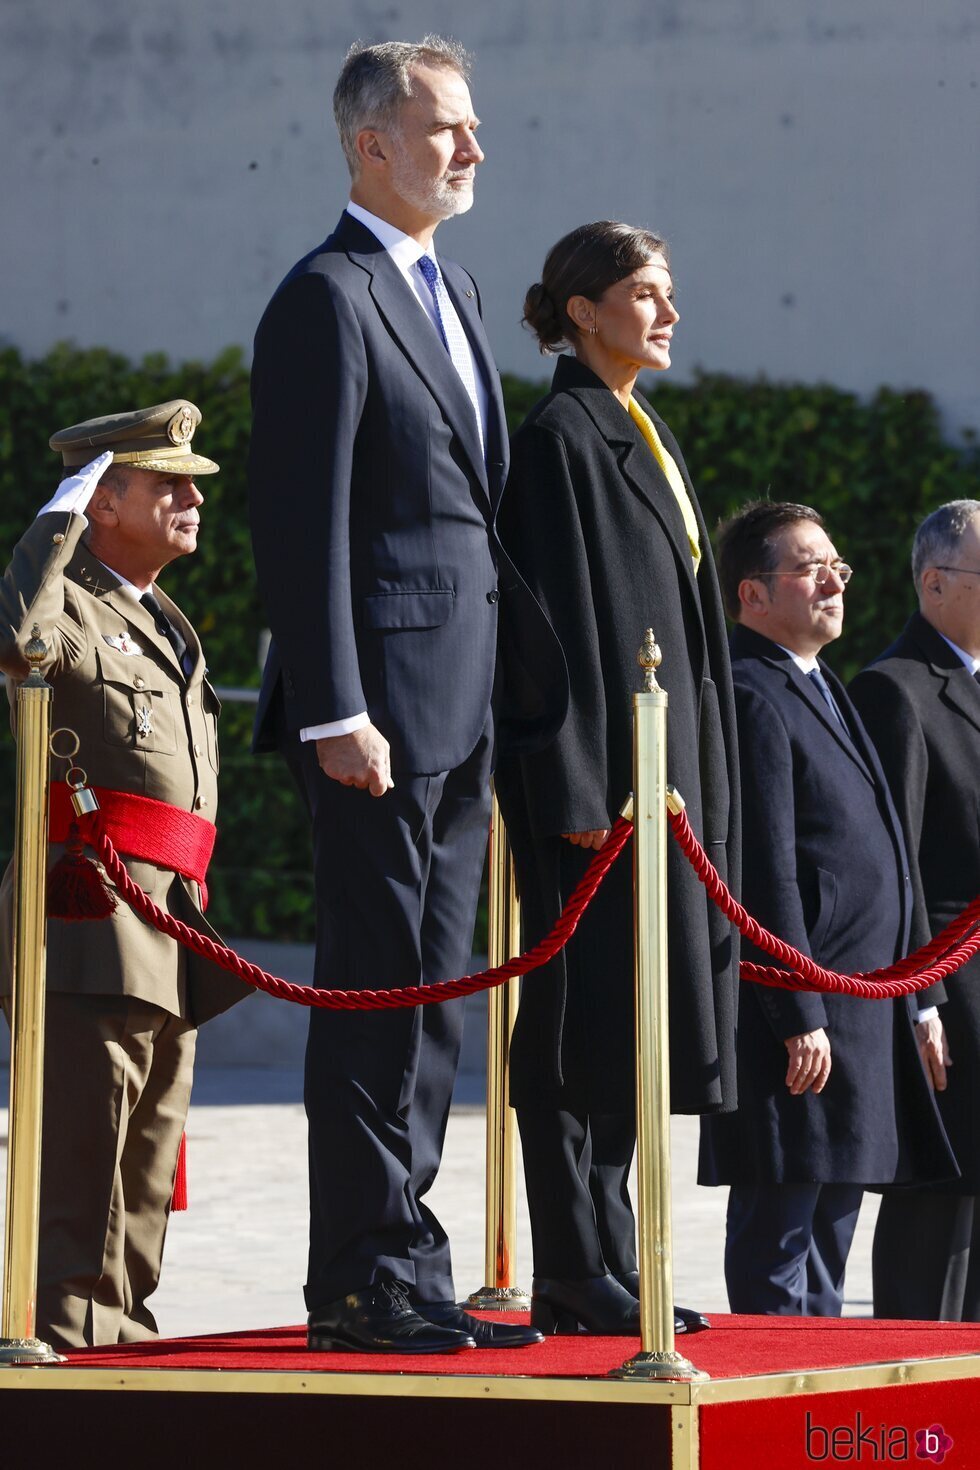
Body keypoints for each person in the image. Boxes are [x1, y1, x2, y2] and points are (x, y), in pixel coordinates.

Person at [248, 37, 556, 1354]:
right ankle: (363, 1279)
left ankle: (409, 1264)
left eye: (473, 127)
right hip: (375, 715)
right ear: (371, 142)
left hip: (460, 705)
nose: (472, 149)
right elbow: (302, 518)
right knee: (380, 993)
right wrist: (333, 709)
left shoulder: (455, 289)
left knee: (437, 993)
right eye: (445, 128)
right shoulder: (326, 295)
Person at [493, 220, 741, 1336]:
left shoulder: (642, 427)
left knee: (634, 1023)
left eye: (668, 290)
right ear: (581, 309)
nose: (668, 311)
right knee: (574, 1024)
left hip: (667, 790)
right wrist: (580, 789)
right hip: (599, 799)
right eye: (644, 292)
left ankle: (611, 1245)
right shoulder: (558, 436)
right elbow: (553, 627)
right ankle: (570, 1262)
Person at [0, 401, 246, 1350]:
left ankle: (126, 1319)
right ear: (103, 503)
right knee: (87, 1136)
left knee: (150, 1143)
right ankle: (66, 1324)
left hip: (173, 911)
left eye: (193, 483)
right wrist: (53, 522)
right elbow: (18, 641)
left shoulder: (160, 614)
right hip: (96, 910)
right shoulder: (65, 598)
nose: (192, 498)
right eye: (167, 483)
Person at [698, 501, 957, 1316]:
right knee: (782, 1242)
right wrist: (796, 1009)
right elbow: (764, 867)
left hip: (860, 1007)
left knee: (829, 1246)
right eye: (809, 566)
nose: (833, 579)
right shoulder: (750, 690)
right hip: (803, 1020)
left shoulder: (820, 683)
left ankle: (813, 1418)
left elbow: (887, 855)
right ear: (751, 593)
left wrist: (918, 997)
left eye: (837, 563)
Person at [850, 501, 980, 1321]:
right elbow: (891, 862)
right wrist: (920, 996)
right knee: (945, 1199)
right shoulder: (898, 689)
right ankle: (916, 1390)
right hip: (952, 980)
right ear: (935, 583)